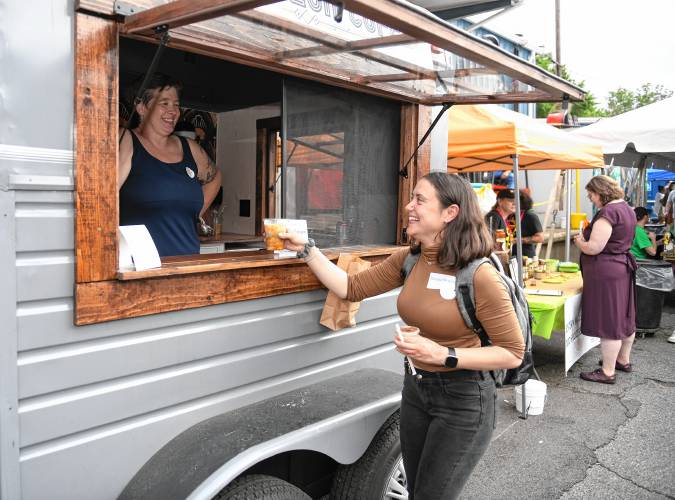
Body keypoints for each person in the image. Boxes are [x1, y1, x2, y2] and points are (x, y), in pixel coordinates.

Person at [281, 173, 524, 499]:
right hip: (416, 390)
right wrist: (307, 250)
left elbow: (512, 352)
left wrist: (444, 355)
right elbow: (350, 287)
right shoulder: (410, 258)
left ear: (449, 213)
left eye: (420, 200)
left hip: (464, 400)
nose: (409, 206)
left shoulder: (480, 275)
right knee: (415, 490)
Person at [118, 76, 222, 257]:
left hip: (187, 265)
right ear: (141, 108)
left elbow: (215, 177)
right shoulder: (126, 140)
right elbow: (102, 198)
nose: (173, 111)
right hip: (141, 269)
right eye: (164, 103)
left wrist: (195, 212)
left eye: (176, 104)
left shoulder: (189, 147)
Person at [574, 175, 636, 384]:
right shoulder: (627, 208)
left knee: (610, 322)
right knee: (624, 317)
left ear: (600, 192)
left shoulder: (608, 212)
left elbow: (594, 247)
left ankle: (608, 372)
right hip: (620, 269)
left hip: (607, 272)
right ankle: (622, 360)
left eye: (591, 194)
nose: (590, 198)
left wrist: (580, 242)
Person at [511, 190, 544, 258]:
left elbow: (540, 238)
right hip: (511, 254)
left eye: (513, 201)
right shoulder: (510, 215)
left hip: (526, 256)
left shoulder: (530, 215)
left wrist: (519, 240)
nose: (511, 204)